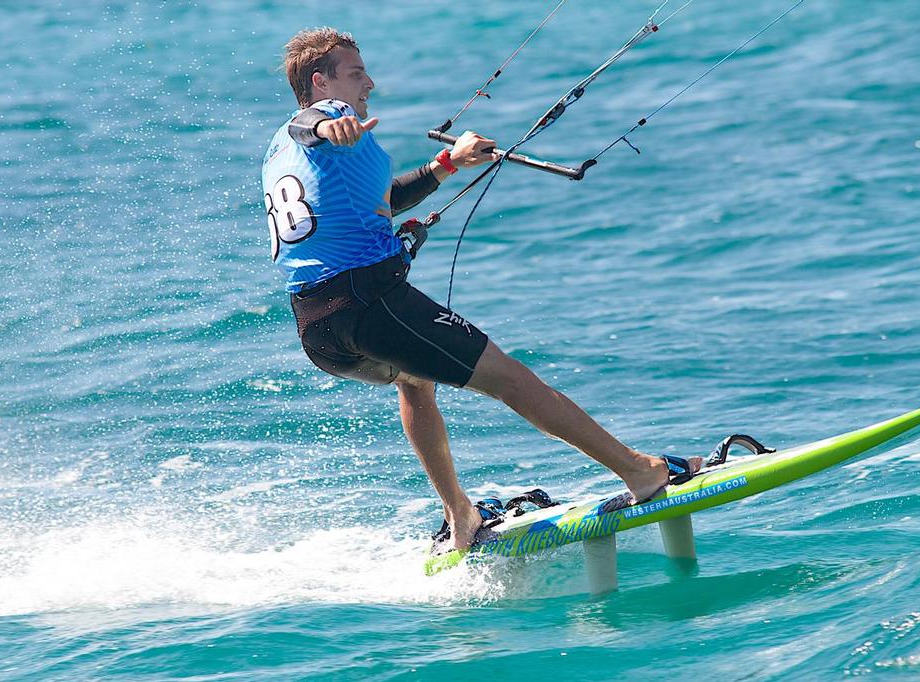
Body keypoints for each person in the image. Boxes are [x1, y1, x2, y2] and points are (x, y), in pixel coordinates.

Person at [262, 28, 701, 552]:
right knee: (511, 380)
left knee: (415, 381)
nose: (370, 83)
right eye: (357, 73)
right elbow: (314, 123)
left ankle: (461, 518)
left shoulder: (279, 148)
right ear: (321, 81)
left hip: (319, 327)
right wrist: (332, 123)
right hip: (370, 302)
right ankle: (641, 473)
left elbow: (378, 199)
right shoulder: (320, 124)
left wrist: (445, 165)